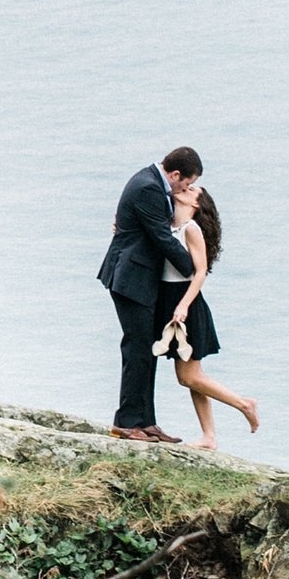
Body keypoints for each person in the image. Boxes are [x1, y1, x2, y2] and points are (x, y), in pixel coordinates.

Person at [97, 146, 203, 439]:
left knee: (148, 349)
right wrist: (194, 268)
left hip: (139, 278)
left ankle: (145, 420)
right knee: (137, 349)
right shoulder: (148, 188)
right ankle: (126, 421)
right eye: (185, 183)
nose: (185, 189)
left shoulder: (153, 184)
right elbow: (161, 237)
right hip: (130, 279)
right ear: (175, 174)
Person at [160, 185, 259, 449]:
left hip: (186, 304)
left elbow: (200, 271)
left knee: (188, 377)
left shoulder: (191, 229)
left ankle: (243, 404)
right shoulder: (168, 224)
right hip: (171, 301)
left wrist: (182, 306)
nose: (184, 188)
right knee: (194, 375)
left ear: (196, 204)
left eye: (192, 189)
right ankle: (209, 437)